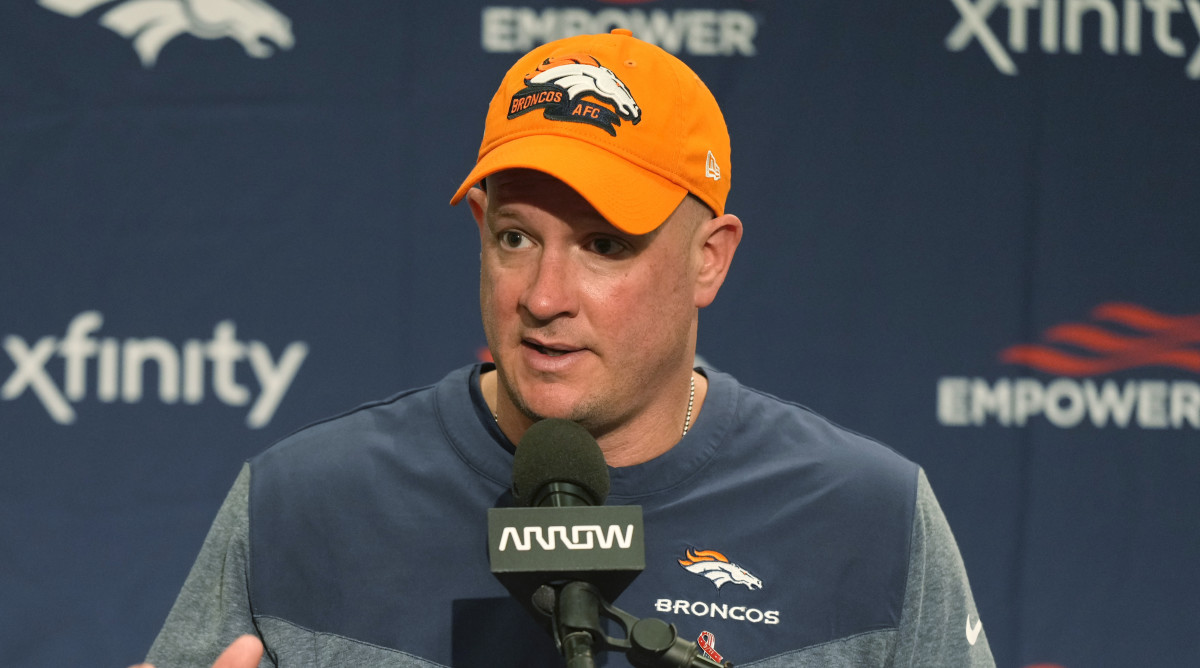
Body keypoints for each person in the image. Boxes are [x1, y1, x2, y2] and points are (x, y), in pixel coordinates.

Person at [141, 29, 995, 668]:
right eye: (516, 238)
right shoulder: (300, 506)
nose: (544, 298)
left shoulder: (870, 522)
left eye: (605, 246)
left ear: (710, 258)